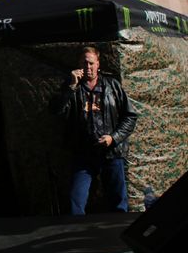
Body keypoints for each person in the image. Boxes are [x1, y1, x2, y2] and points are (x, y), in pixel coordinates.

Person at [51, 45, 138, 215]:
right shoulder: (71, 87)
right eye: (84, 63)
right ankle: (77, 231)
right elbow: (56, 111)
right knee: (75, 201)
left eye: (91, 63)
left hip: (111, 153)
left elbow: (130, 116)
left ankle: (118, 230)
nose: (88, 67)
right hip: (83, 154)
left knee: (118, 202)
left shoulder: (112, 86)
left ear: (98, 64)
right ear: (79, 65)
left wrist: (113, 138)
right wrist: (71, 87)